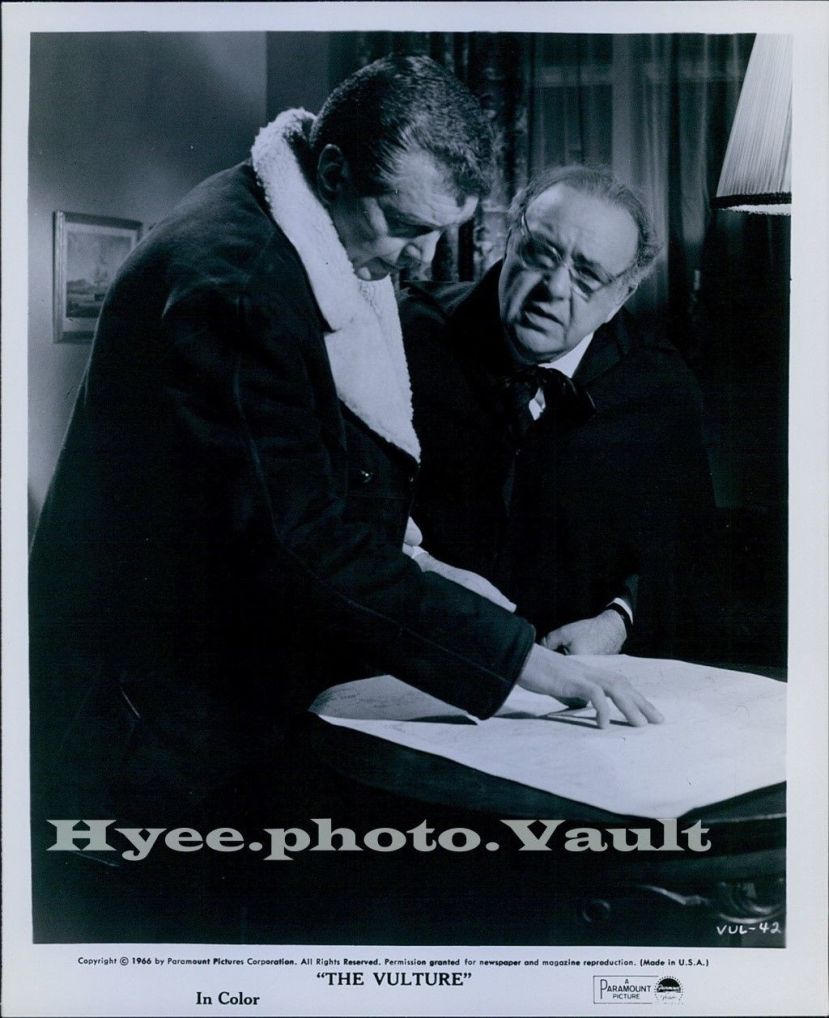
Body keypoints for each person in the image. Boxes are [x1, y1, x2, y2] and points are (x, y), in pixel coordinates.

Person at [29, 63, 663, 866]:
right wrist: (519, 662)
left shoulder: (295, 225)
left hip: (197, 700)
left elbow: (296, 479)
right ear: (331, 171)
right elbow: (298, 542)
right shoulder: (239, 285)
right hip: (139, 726)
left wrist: (424, 567)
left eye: (441, 231)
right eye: (403, 225)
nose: (421, 259)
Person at [400, 164, 715, 659]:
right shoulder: (406, 335)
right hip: (411, 648)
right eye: (540, 253)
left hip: (577, 679)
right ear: (509, 242)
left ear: (621, 296)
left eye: (588, 276)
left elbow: (683, 553)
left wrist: (617, 621)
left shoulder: (660, 388)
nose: (555, 288)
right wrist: (419, 568)